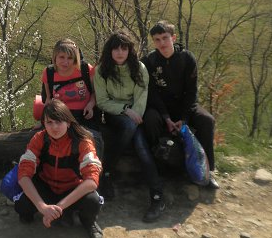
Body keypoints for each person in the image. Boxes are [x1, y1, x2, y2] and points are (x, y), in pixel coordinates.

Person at [93, 30, 165, 222]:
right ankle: (107, 175)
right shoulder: (102, 70)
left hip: (136, 117)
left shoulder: (139, 69)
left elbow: (141, 97)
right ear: (109, 50)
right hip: (114, 114)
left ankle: (156, 198)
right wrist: (126, 110)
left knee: (141, 148)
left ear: (129, 50)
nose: (120, 52)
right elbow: (102, 101)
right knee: (128, 127)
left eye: (124, 48)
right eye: (116, 48)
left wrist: (134, 114)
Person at [141, 20, 219, 189]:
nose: (162, 43)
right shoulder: (149, 61)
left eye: (165, 38)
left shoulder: (187, 58)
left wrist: (184, 118)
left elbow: (191, 92)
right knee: (150, 119)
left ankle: (207, 171)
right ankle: (158, 168)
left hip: (185, 105)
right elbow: (152, 94)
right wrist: (166, 117)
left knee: (207, 120)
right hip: (160, 107)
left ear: (173, 38)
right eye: (157, 40)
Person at [15, 99, 104, 238]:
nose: (54, 127)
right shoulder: (39, 139)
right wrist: (42, 207)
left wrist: (59, 207)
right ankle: (57, 214)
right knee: (22, 206)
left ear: (68, 122)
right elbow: (24, 174)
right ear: (44, 123)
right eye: (49, 122)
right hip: (47, 186)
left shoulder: (82, 142)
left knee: (92, 201)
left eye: (59, 122)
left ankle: (88, 221)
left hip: (71, 188)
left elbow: (92, 181)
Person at [41, 38, 103, 158]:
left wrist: (91, 104)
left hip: (85, 114)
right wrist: (44, 119)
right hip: (61, 116)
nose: (65, 62)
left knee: (94, 139)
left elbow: (95, 92)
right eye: (62, 57)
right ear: (55, 57)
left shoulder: (85, 69)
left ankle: (95, 168)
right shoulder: (49, 73)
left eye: (70, 58)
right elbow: (48, 99)